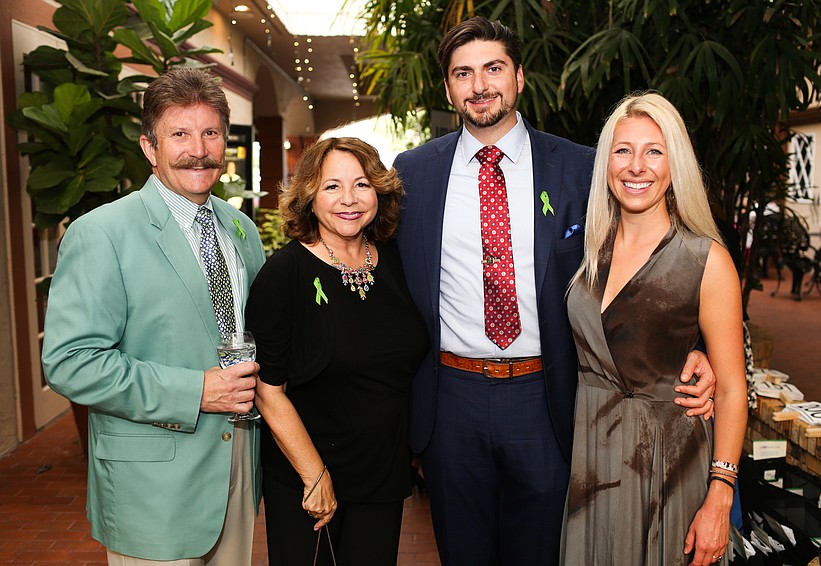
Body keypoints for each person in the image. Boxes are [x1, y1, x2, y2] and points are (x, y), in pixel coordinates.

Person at [392, 16, 719, 566]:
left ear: (520, 76)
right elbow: (386, 278)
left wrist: (698, 345)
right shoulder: (414, 173)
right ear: (447, 87)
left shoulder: (582, 168)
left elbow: (657, 259)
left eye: (493, 69)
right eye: (462, 73)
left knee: (545, 554)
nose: (479, 86)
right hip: (452, 401)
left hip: (550, 399)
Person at [41, 68, 266, 565]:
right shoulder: (100, 233)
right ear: (149, 147)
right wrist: (196, 391)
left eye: (210, 133)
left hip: (236, 468)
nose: (198, 149)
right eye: (180, 134)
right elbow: (70, 362)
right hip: (152, 486)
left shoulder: (241, 229)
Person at [560, 92, 748, 565]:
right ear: (606, 162)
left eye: (654, 151)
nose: (636, 166)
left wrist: (720, 495)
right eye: (623, 150)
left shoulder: (707, 260)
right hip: (591, 468)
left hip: (671, 469)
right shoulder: (583, 254)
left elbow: (730, 391)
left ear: (674, 165)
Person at [245, 137, 428, 566]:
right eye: (331, 187)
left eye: (361, 184)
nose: (348, 199)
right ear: (309, 196)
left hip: (382, 474)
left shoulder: (395, 262)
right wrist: (314, 475)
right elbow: (267, 390)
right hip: (310, 476)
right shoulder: (283, 274)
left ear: (378, 192)